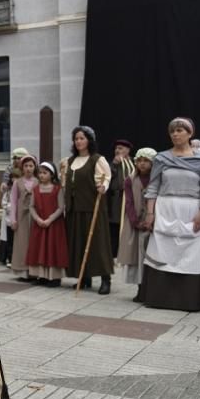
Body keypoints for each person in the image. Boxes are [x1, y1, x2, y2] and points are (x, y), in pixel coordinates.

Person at [142, 117, 200, 311]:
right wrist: (150, 213)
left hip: (191, 209)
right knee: (163, 251)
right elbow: (153, 188)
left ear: (190, 133)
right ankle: (160, 298)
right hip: (165, 208)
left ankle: (189, 299)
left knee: (190, 254)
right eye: (172, 131)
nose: (176, 134)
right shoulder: (162, 158)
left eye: (180, 130)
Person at [64, 126, 114, 294]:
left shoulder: (97, 159)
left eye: (82, 138)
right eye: (76, 138)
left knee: (97, 244)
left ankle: (106, 279)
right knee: (78, 243)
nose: (78, 141)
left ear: (89, 140)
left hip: (92, 208)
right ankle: (84, 277)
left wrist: (103, 187)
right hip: (74, 209)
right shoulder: (70, 161)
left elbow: (106, 177)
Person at [119, 147, 156, 301]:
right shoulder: (130, 180)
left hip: (153, 223)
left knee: (151, 255)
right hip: (135, 224)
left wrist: (152, 220)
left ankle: (152, 289)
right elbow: (128, 203)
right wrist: (135, 221)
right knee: (138, 257)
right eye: (139, 161)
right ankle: (141, 289)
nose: (142, 164)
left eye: (146, 161)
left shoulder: (156, 180)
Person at [26, 162, 68, 287]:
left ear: (52, 174)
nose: (42, 175)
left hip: (54, 225)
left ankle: (54, 276)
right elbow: (31, 206)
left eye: (45, 173)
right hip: (40, 224)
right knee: (40, 249)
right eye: (40, 173)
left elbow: (61, 207)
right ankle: (42, 275)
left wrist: (50, 219)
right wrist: (38, 219)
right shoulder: (35, 189)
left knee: (52, 248)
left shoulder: (57, 189)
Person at [8, 155, 38, 281]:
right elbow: (13, 201)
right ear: (22, 167)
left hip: (35, 215)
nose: (28, 169)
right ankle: (23, 271)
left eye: (31, 166)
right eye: (26, 166)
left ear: (35, 167)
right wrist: (13, 219)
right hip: (21, 216)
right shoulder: (17, 183)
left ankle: (34, 271)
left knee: (34, 243)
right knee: (22, 243)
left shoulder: (38, 181)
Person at [0, 147, 29, 264]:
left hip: (24, 206)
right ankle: (9, 257)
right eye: (15, 158)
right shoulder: (9, 169)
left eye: (19, 158)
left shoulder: (28, 166)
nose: (17, 160)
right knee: (10, 235)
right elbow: (4, 186)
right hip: (11, 206)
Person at [107, 139, 135, 259]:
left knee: (126, 226)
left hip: (128, 199)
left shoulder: (133, 163)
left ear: (128, 150)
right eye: (116, 148)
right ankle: (113, 254)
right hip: (114, 200)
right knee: (113, 226)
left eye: (121, 148)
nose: (117, 151)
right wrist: (114, 165)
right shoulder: (111, 164)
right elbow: (107, 177)